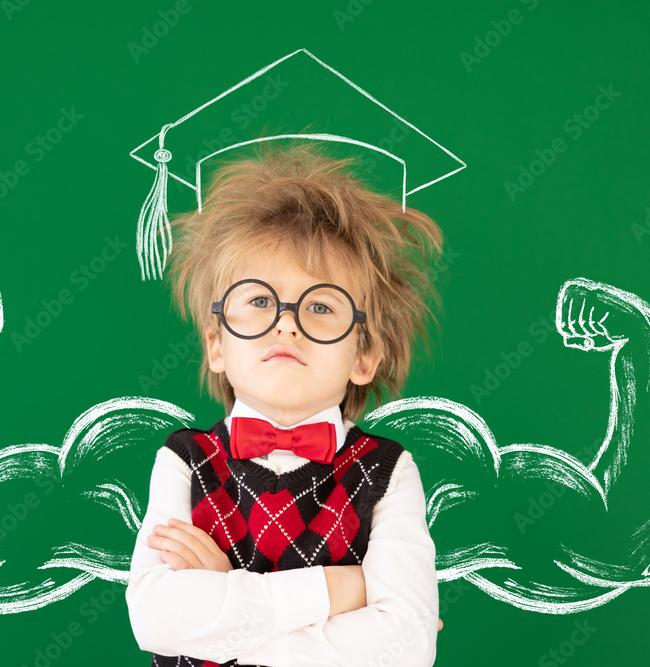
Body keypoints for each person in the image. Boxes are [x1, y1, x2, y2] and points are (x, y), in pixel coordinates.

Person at [125, 141, 444, 666]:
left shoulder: (388, 471)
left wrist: (226, 599)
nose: (287, 322)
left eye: (321, 306)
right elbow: (157, 619)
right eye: (258, 300)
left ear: (363, 356)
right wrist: (341, 591)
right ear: (216, 345)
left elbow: (406, 646)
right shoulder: (184, 459)